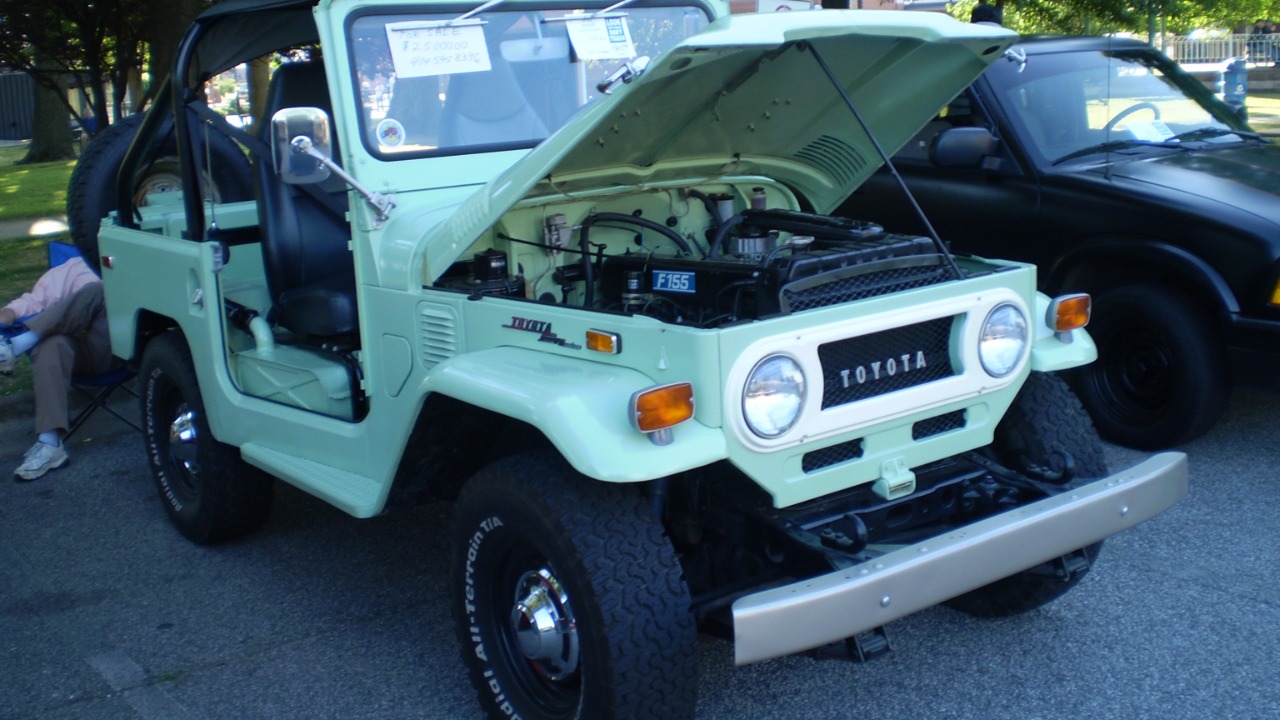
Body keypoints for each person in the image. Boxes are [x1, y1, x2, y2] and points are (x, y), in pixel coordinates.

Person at [0, 253, 114, 481]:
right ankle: (50, 444)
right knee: (52, 344)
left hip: (117, 349)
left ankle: (17, 344)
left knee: (98, 291)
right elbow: (32, 301)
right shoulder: (76, 266)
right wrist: (5, 316)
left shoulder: (136, 260)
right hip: (79, 353)